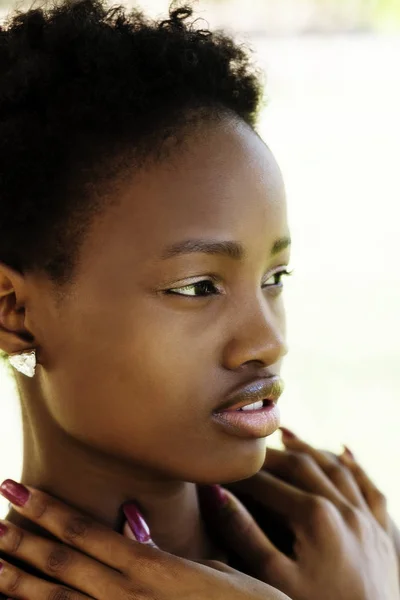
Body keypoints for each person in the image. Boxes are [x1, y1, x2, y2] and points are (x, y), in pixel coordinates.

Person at [0, 0, 398, 598]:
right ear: (15, 312)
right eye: (198, 287)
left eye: (275, 277)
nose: (268, 341)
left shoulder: (353, 542)